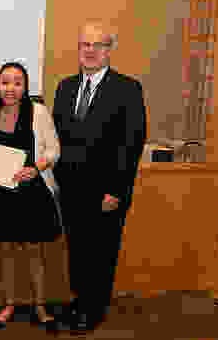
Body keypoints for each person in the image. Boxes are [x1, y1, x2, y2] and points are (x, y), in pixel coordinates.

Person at [52, 19, 146, 334]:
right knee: (78, 251)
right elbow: (56, 140)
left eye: (98, 45)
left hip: (106, 192)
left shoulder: (127, 89)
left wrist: (115, 190)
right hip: (71, 190)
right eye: (85, 45)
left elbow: (130, 145)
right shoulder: (65, 87)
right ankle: (79, 301)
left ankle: (94, 310)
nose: (90, 51)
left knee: (101, 253)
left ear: (109, 50)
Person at [0, 61, 63, 333]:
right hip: (2, 196)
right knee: (7, 253)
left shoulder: (39, 112)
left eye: (17, 82)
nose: (10, 88)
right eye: (5, 82)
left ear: (25, 87)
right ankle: (9, 305)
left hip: (34, 193)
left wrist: (35, 168)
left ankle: (40, 306)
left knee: (34, 253)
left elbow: (54, 150)